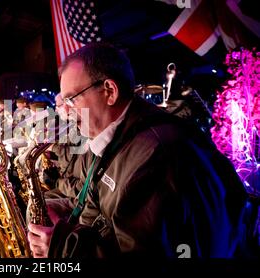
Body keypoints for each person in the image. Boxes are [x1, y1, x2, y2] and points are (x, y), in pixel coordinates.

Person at [27, 42, 248, 258]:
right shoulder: (113, 139)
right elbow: (94, 207)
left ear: (109, 91)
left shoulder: (157, 155)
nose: (65, 111)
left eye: (71, 99)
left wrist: (59, 247)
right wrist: (60, 209)